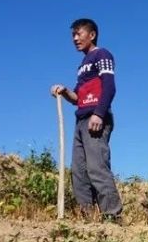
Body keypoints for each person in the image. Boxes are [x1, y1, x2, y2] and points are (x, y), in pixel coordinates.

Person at [50, 18, 123, 221]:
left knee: (97, 167)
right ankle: (87, 217)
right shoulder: (82, 65)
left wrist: (99, 113)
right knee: (79, 171)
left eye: (78, 33)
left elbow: (109, 87)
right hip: (81, 120)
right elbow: (77, 98)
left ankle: (112, 216)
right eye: (73, 35)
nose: (75, 38)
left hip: (96, 118)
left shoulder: (102, 55)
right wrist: (63, 91)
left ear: (92, 35)